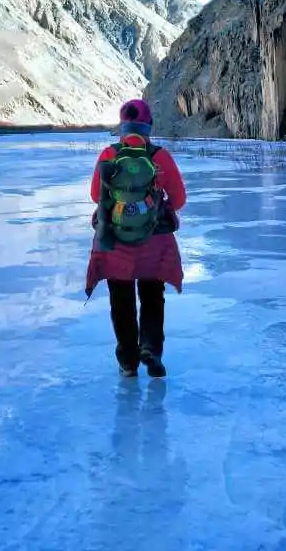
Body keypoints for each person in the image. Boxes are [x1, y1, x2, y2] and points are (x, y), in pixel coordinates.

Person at [85, 99, 187, 378]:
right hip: (154, 242)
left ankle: (128, 362)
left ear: (122, 126)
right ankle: (151, 349)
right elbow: (178, 199)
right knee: (153, 295)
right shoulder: (160, 156)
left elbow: (96, 196)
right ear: (149, 126)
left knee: (121, 300)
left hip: (115, 241)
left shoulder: (109, 154)